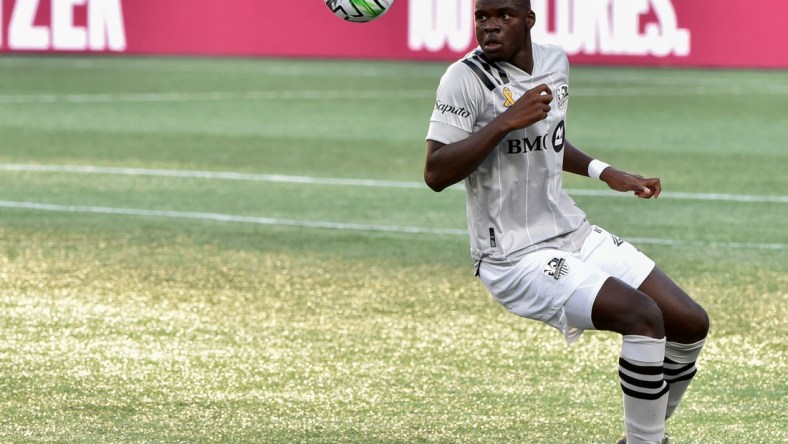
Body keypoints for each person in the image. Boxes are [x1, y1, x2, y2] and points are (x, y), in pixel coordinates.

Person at [422, 1, 710, 443]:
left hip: (571, 231)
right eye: (482, 16)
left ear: (529, 21)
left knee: (689, 322)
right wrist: (504, 121)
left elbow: (548, 139)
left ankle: (642, 436)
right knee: (643, 317)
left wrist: (603, 170)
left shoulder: (555, 61)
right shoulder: (464, 78)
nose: (491, 25)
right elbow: (436, 172)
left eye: (504, 15)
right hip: (513, 256)